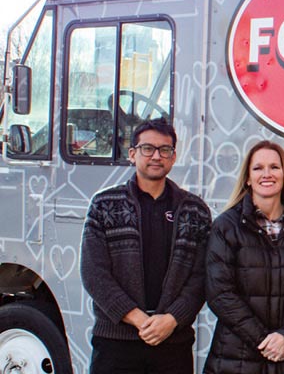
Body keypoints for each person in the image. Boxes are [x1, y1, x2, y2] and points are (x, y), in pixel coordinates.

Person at [81, 118, 212, 373]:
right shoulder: (104, 204)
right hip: (116, 343)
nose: (156, 156)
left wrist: (172, 319)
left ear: (173, 157)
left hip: (173, 341)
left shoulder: (195, 210)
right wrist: (139, 319)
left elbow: (202, 277)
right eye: (147, 148)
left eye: (165, 150)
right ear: (132, 154)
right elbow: (94, 274)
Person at [204, 140, 284, 373]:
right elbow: (219, 293)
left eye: (274, 167)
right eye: (258, 168)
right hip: (235, 358)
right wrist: (265, 341)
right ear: (248, 178)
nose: (267, 174)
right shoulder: (226, 227)